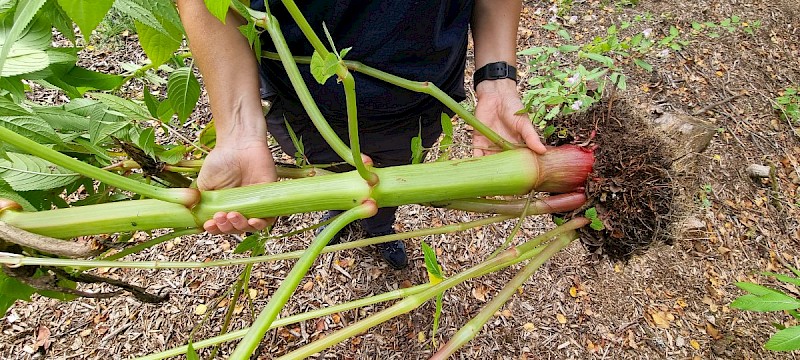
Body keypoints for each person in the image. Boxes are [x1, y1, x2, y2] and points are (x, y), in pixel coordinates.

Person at [176, 0, 546, 270]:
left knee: (397, 174)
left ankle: (378, 227)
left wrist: (497, 80)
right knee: (326, 174)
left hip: (420, 100)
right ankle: (337, 212)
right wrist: (238, 130)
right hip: (304, 103)